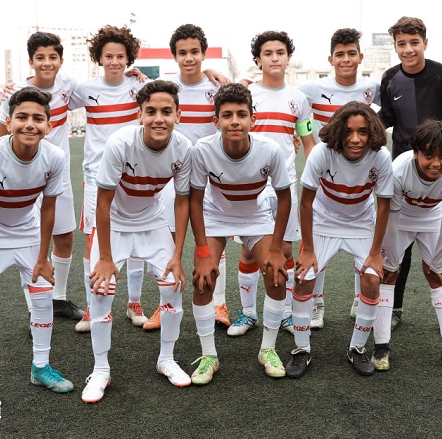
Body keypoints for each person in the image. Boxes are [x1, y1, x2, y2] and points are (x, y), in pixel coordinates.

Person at [82, 80, 193, 402]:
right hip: (114, 222)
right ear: (140, 115)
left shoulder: (183, 148)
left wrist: (177, 255)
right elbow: (102, 203)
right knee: (101, 291)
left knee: (172, 286)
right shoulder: (120, 143)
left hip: (151, 221)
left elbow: (182, 202)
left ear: (178, 115)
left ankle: (166, 359)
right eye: (151, 111)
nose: (159, 118)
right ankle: (100, 369)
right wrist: (104, 258)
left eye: (166, 112)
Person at [0, 87, 74, 405]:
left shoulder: (55, 157)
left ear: (48, 126)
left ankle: (40, 367)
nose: (29, 124)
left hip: (28, 232)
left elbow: (49, 208)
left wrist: (43, 257)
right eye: (21, 117)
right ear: (9, 122)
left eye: (38, 118)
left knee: (43, 299)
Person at [188, 83, 291, 384]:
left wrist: (276, 248)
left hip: (256, 217)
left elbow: (285, 197)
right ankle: (209, 356)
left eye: (241, 115)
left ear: (252, 119)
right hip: (216, 216)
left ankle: (268, 349)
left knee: (277, 274)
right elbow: (194, 200)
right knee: (203, 280)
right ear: (216, 120)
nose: (235, 121)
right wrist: (203, 252)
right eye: (227, 115)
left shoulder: (269, 149)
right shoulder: (203, 149)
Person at [378, 16, 442, 333]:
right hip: (403, 169)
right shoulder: (390, 78)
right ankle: (394, 308)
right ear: (395, 47)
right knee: (398, 246)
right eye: (401, 44)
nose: (408, 49)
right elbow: (386, 118)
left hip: (437, 166)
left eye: (414, 43)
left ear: (425, 43)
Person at [288, 101, 392, 378]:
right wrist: (307, 249)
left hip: (361, 224)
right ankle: (301, 349)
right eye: (348, 131)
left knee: (372, 279)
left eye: (362, 132)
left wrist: (376, 253)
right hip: (323, 222)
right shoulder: (322, 153)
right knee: (304, 277)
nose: (355, 139)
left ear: (372, 132)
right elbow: (306, 203)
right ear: (338, 131)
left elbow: (384, 205)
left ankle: (357, 349)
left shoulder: (381, 157)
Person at [141, 23, 231, 332]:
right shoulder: (166, 88)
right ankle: (165, 302)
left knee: (215, 237)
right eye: (182, 53)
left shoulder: (217, 88)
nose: (189, 58)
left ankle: (218, 302)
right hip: (172, 174)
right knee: (168, 238)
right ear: (174, 56)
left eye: (194, 52)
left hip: (209, 173)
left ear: (204, 54)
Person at [227, 30, 315, 338]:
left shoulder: (298, 99)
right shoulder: (248, 95)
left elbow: (308, 143)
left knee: (286, 250)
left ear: (288, 58)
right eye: (268, 53)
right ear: (258, 60)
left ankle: (286, 313)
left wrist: (314, 180)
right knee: (249, 251)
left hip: (284, 185)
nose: (275, 58)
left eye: (280, 53)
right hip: (251, 186)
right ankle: (248, 313)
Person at [374, 119, 442, 373]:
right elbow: (391, 218)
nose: (435, 163)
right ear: (416, 152)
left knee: (440, 276)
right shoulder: (398, 171)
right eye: (428, 155)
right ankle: (381, 347)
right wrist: (391, 260)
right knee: (388, 275)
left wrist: (438, 262)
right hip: (401, 219)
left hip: (434, 218)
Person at [298, 27, 381, 329]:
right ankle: (316, 303)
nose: (346, 59)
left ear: (361, 57)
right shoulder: (312, 88)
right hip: (326, 174)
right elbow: (294, 107)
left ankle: (360, 298)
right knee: (316, 243)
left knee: (364, 243)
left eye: (351, 54)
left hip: (358, 172)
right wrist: (309, 145)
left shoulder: (373, 88)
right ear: (330, 59)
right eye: (340, 54)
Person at [68, 25, 149, 333]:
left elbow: (176, 89)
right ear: (99, 58)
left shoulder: (140, 86)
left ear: (129, 58)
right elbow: (52, 98)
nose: (115, 62)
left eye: (120, 56)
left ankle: (134, 303)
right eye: (109, 56)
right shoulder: (85, 89)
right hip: (95, 175)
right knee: (93, 239)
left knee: (137, 236)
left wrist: (209, 71)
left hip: (133, 174)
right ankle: (93, 306)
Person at [0, 32, 84, 322]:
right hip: (25, 181)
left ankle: (57, 299)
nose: (47, 63)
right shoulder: (16, 94)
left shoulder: (69, 85)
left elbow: (105, 88)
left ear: (61, 60)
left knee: (64, 236)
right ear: (31, 61)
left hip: (58, 175)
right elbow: (1, 139)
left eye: (52, 57)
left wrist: (134, 77)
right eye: (40, 57)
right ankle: (35, 308)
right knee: (31, 241)